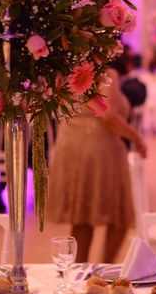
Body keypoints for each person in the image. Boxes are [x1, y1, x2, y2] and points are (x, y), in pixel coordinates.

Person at [47, 68, 147, 263]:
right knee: (118, 218)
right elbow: (107, 115)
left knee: (82, 219)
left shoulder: (64, 69)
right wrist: (136, 137)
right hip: (97, 145)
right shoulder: (104, 73)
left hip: (70, 141)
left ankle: (79, 274)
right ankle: (104, 272)